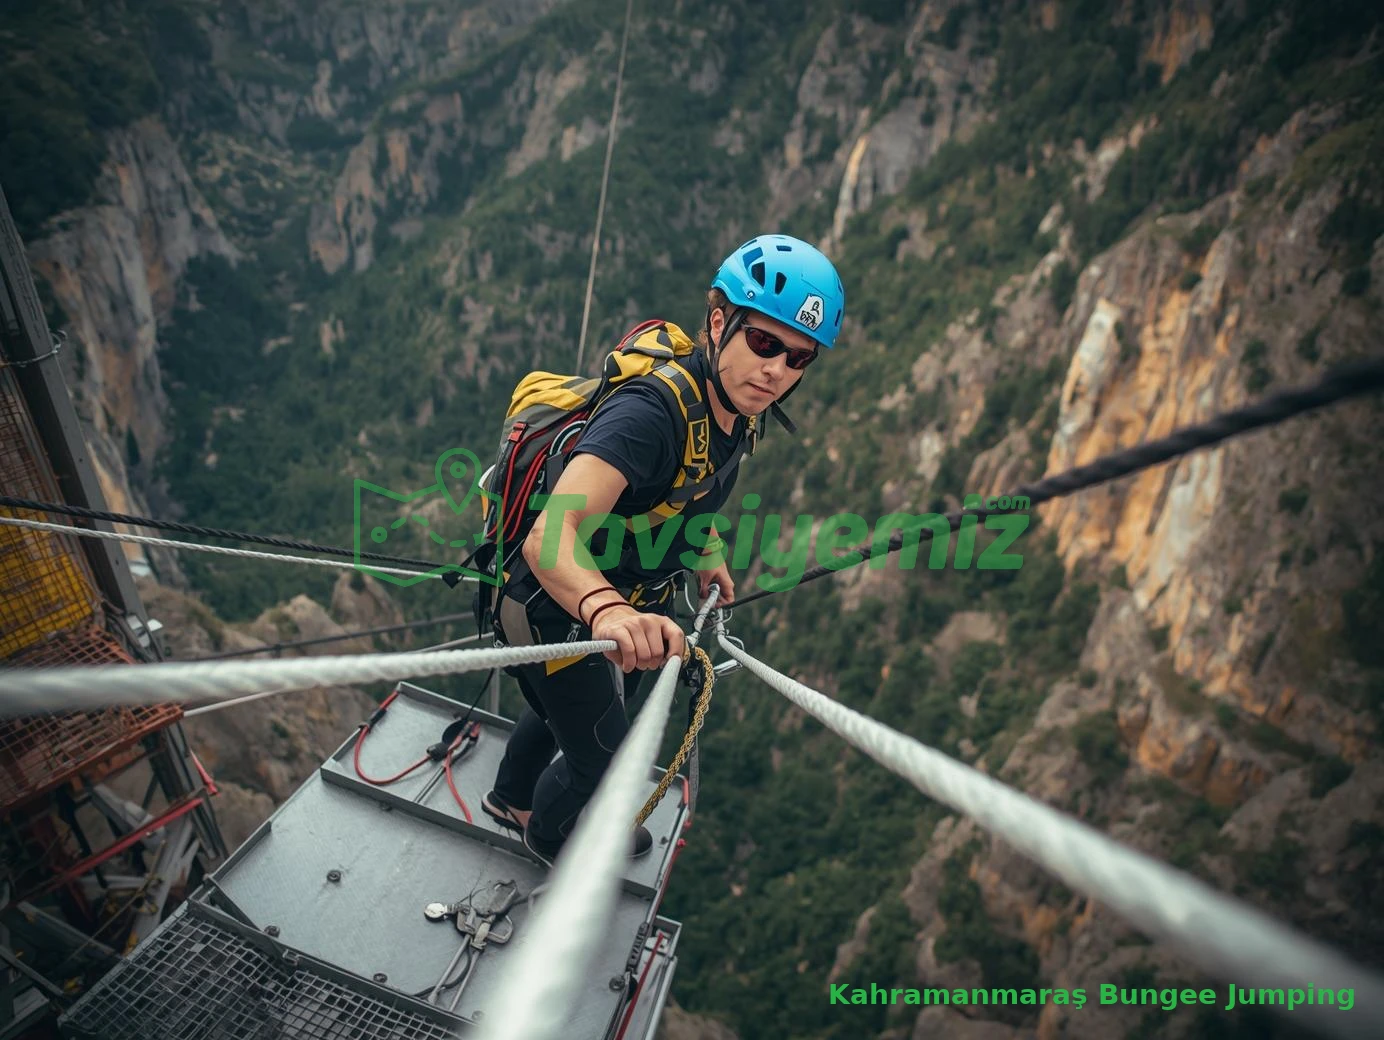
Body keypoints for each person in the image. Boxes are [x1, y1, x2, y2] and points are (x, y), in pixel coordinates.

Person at [481, 233, 846, 866]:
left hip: (600, 599)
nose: (776, 371)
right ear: (717, 321)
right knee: (610, 757)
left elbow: (681, 494)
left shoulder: (733, 409)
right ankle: (549, 835)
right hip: (548, 601)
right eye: (763, 342)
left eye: (797, 359)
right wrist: (610, 612)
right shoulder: (650, 415)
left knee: (573, 709)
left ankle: (512, 797)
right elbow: (551, 536)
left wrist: (702, 548)